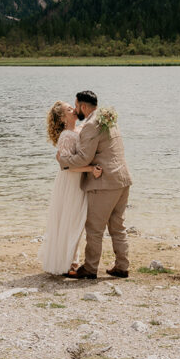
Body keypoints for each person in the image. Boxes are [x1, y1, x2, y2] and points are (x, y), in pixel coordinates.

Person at [56, 90, 132, 279]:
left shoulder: (91, 125)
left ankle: (90, 268)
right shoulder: (108, 119)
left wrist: (63, 161)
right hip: (122, 179)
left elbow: (84, 158)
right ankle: (122, 266)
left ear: (83, 106)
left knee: (94, 228)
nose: (75, 109)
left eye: (76, 105)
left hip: (104, 183)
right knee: (118, 226)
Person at [38, 101, 103, 275]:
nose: (74, 110)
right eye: (69, 109)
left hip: (78, 182)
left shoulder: (79, 129)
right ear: (62, 117)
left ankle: (72, 259)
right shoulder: (66, 136)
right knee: (70, 220)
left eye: (72, 107)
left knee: (76, 220)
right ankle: (68, 262)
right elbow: (68, 166)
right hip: (69, 182)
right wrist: (91, 169)